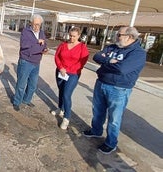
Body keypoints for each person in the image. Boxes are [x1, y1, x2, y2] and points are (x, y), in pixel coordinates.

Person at [83, 26, 146, 154]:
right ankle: (96, 131)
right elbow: (96, 57)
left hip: (119, 89)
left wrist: (106, 62)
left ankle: (111, 143)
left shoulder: (138, 53)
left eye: (119, 35)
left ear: (130, 37)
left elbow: (122, 69)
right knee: (97, 110)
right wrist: (110, 60)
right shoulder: (113, 47)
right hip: (101, 83)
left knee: (114, 118)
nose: (116, 37)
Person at [52, 27, 89, 130]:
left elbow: (82, 63)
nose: (72, 38)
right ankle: (61, 108)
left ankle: (66, 118)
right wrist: (61, 67)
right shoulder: (63, 45)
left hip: (73, 74)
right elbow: (57, 56)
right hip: (60, 72)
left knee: (67, 94)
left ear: (79, 36)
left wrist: (67, 70)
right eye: (70, 35)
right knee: (61, 90)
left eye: (74, 36)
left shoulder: (82, 48)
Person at [12, 14, 48, 111]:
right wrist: (37, 42)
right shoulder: (25, 31)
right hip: (26, 61)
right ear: (31, 23)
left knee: (33, 85)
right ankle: (17, 101)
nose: (37, 27)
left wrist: (44, 49)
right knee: (21, 84)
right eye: (35, 24)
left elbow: (44, 44)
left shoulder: (41, 32)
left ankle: (26, 100)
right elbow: (24, 45)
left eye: (39, 25)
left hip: (36, 62)